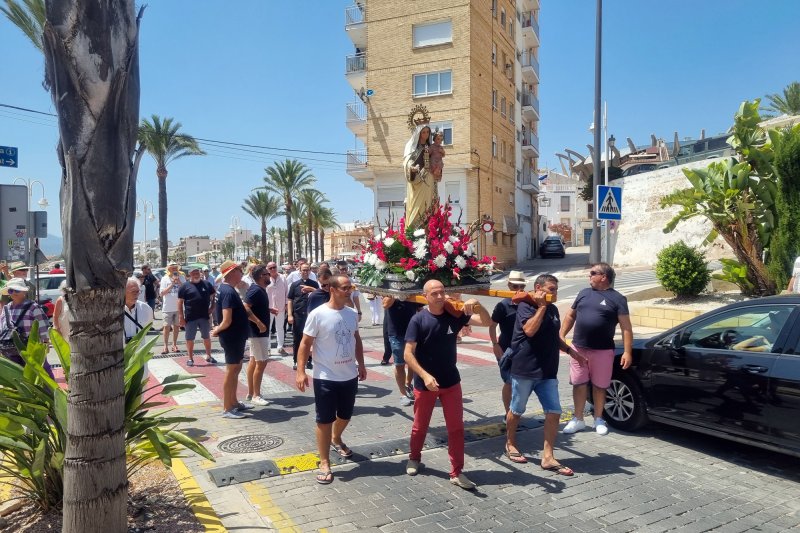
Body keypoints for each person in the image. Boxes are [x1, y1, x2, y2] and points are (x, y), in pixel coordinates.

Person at [403, 280, 492, 490]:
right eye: (435, 293)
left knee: (456, 429)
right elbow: (407, 353)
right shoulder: (418, 320)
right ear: (426, 296)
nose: (441, 297)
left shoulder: (455, 314)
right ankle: (414, 457)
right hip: (426, 385)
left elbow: (487, 322)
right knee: (419, 427)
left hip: (451, 382)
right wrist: (424, 376)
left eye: (442, 292)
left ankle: (457, 472)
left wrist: (478, 304)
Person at [504, 274, 584, 475]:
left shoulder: (553, 309)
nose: (555, 293)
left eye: (556, 289)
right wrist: (541, 307)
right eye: (551, 289)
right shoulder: (525, 306)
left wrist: (571, 352)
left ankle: (548, 457)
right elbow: (530, 330)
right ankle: (510, 443)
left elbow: (553, 336)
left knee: (554, 412)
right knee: (517, 410)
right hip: (525, 369)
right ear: (538, 288)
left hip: (548, 371)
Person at [295, 273, 367, 485]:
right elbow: (304, 344)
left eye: (350, 288)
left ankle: (336, 438)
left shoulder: (352, 314)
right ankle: (324, 461)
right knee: (324, 420)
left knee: (345, 414)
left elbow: (356, 339)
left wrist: (361, 364)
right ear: (333, 290)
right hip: (325, 376)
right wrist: (300, 371)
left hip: (349, 375)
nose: (349, 291)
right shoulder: (318, 314)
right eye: (345, 288)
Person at [560, 263, 633, 436]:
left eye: (593, 273)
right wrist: (561, 335)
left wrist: (628, 351)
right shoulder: (583, 293)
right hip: (578, 348)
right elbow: (571, 315)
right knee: (579, 384)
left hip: (603, 351)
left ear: (604, 277)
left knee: (600, 386)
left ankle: (598, 419)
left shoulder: (618, 299)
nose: (589, 276)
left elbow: (626, 328)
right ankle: (578, 419)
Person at [212, 260, 267, 419]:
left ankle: (234, 402)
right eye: (239, 270)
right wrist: (218, 329)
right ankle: (227, 407)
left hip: (236, 336)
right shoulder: (228, 291)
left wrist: (256, 321)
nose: (242, 273)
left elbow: (241, 309)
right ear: (231, 273)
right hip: (232, 336)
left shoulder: (227, 289)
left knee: (235, 370)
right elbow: (226, 320)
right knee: (231, 371)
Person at [489, 270, 527, 417]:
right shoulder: (503, 305)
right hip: (506, 349)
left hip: (524, 350)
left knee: (521, 383)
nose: (519, 290)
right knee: (509, 382)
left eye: (521, 286)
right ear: (509, 286)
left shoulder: (528, 302)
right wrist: (494, 344)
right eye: (515, 286)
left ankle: (516, 411)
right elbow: (492, 325)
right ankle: (508, 414)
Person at [0, 277, 54, 379]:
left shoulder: (33, 306)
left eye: (17, 290)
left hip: (31, 346)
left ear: (24, 292)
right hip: (9, 347)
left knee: (42, 371)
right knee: (16, 375)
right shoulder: (6, 308)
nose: (14, 293)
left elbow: (42, 325)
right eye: (11, 290)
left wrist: (45, 342)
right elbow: (1, 327)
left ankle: (50, 393)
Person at [384, 295, 421, 407]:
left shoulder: (412, 291)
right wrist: (396, 295)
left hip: (413, 331)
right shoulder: (390, 292)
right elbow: (385, 304)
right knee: (400, 364)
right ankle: (402, 394)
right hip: (396, 332)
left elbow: (420, 309)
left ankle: (408, 384)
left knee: (412, 362)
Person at [178, 266, 217, 367]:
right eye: (193, 273)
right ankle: (190, 358)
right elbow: (180, 302)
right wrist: (181, 317)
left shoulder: (207, 284)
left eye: (197, 272)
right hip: (190, 317)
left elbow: (214, 295)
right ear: (189, 275)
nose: (196, 274)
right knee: (190, 338)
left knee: (206, 337)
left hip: (204, 316)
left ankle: (209, 356)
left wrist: (213, 306)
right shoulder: (184, 286)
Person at [243, 264, 271, 406]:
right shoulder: (255, 290)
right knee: (261, 363)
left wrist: (268, 309)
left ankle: (251, 392)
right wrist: (259, 323)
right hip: (258, 333)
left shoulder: (260, 290)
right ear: (261, 276)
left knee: (254, 362)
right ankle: (256, 395)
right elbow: (246, 307)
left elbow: (255, 306)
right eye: (267, 274)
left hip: (258, 333)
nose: (270, 275)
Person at [403, 124, 437, 226]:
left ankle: (428, 227)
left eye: (427, 132)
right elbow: (407, 162)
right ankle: (414, 229)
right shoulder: (413, 148)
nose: (426, 134)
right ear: (419, 133)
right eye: (423, 132)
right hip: (417, 180)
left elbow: (436, 160)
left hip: (429, 178)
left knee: (428, 204)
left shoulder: (430, 147)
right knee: (416, 205)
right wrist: (412, 168)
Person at [287, 263, 319, 370]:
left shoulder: (314, 284)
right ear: (299, 271)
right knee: (297, 339)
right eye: (303, 270)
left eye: (307, 270)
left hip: (311, 316)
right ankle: (296, 360)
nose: (305, 272)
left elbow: (319, 297)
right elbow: (290, 300)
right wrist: (290, 315)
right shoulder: (294, 285)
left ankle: (308, 361)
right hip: (298, 316)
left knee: (310, 339)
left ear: (310, 271)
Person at [159, 262, 185, 354]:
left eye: (175, 268)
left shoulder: (181, 277)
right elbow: (161, 293)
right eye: (172, 268)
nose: (174, 269)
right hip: (167, 307)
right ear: (168, 269)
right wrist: (172, 284)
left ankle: (174, 344)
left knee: (177, 327)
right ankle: (165, 346)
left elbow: (186, 290)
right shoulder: (164, 278)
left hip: (179, 307)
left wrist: (179, 282)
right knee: (166, 327)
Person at [265, 261, 288, 356]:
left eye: (274, 267)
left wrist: (286, 304)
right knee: (268, 328)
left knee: (280, 328)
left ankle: (280, 347)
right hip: (269, 307)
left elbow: (287, 291)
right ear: (267, 269)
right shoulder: (265, 278)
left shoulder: (283, 278)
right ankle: (267, 348)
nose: (273, 269)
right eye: (270, 268)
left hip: (280, 307)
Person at [124, 277, 154, 344]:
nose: (136, 294)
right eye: (133, 291)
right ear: (123, 291)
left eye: (138, 291)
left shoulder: (146, 309)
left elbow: (148, 326)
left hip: (139, 352)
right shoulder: (113, 311)